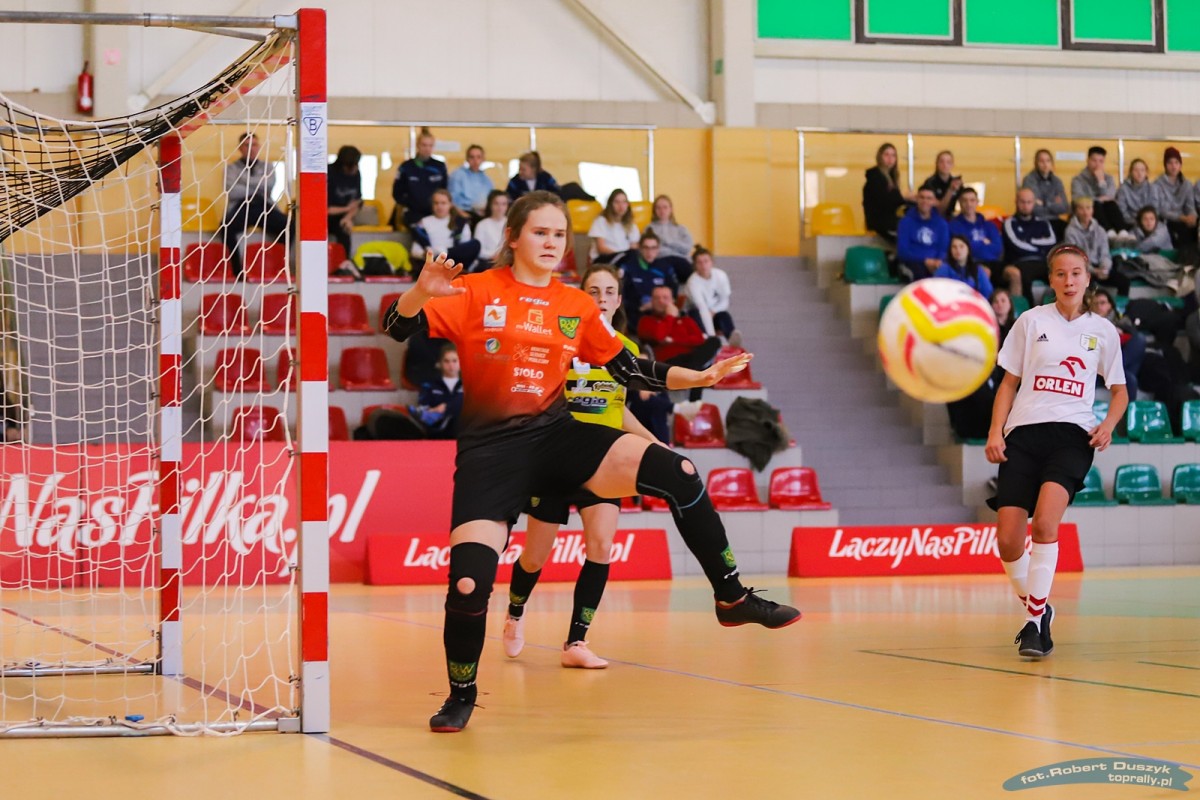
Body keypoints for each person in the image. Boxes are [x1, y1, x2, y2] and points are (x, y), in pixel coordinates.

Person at [382, 191, 800, 732]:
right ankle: (461, 694)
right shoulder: (477, 290)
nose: (551, 242)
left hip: (558, 437)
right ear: (512, 237)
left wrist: (697, 377)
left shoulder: (576, 306)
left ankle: (731, 596)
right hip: (491, 455)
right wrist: (420, 291)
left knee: (680, 472)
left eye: (559, 234)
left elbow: (632, 369)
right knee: (467, 586)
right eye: (540, 232)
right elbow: (395, 326)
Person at [504, 265, 663, 669]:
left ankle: (576, 641)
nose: (602, 298)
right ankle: (515, 611)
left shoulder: (625, 349)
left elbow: (618, 409)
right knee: (534, 557)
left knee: (602, 546)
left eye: (609, 291)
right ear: (581, 297)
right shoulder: (558, 341)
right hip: (557, 458)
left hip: (603, 460)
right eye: (594, 291)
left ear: (619, 300)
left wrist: (654, 442)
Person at [986, 244, 1127, 660]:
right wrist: (995, 432)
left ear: (1087, 279)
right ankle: (1041, 607)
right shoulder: (1030, 321)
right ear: (1050, 279)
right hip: (1023, 434)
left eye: (1076, 273)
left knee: (1046, 524)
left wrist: (1108, 425)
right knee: (1008, 541)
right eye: (1061, 274)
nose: (1069, 281)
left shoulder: (1102, 330)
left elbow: (1120, 391)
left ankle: (1034, 626)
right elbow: (1008, 384)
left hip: (1072, 436)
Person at [221, 132, 292, 279]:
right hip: (241, 206)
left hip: (263, 205)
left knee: (290, 226)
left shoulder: (268, 166)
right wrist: (258, 185)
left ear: (258, 147)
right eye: (246, 145)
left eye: (253, 145)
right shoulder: (230, 168)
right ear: (240, 148)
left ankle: (277, 266)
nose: (250, 148)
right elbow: (232, 191)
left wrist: (243, 180)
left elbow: (269, 186)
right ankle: (237, 271)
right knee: (225, 227)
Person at [1064, 197, 1130, 297]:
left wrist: (1104, 268)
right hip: (1082, 270)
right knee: (1087, 284)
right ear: (1076, 211)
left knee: (1124, 281)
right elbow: (1075, 258)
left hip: (1100, 266)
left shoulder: (1100, 230)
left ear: (1093, 210)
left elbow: (1105, 253)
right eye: (1081, 208)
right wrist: (1093, 271)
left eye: (1088, 208)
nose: (1085, 212)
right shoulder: (1070, 232)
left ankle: (1118, 306)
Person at [1001, 188, 1057, 300]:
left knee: (1059, 273)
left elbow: (1052, 242)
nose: (1025, 206)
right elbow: (1016, 245)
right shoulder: (1009, 222)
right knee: (1024, 276)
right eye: (1022, 202)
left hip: (1043, 261)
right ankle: (1029, 309)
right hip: (1020, 262)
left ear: (1034, 203)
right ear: (1016, 202)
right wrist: (1040, 247)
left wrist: (1028, 240)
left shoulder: (1043, 222)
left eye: (1029, 202)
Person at [411, 189, 481, 272]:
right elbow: (415, 250)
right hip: (434, 260)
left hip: (454, 259)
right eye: (436, 203)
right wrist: (427, 254)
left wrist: (443, 251)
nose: (439, 206)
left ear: (450, 204)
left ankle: (444, 256)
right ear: (432, 205)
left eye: (443, 203)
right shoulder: (424, 222)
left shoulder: (460, 222)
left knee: (476, 244)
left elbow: (464, 248)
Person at [1092, 289, 1145, 401]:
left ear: (1110, 305)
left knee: (1139, 339)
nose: (1099, 306)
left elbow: (1133, 335)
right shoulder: (1087, 324)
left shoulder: (1122, 321)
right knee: (1129, 379)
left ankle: (1116, 369)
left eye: (1102, 303)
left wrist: (1118, 330)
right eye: (1095, 304)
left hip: (1122, 363)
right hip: (1099, 369)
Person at [622, 231, 678, 331]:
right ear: (640, 248)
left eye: (653, 248)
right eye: (646, 248)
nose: (650, 252)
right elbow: (624, 296)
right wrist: (640, 307)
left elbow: (673, 292)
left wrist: (657, 305)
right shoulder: (629, 268)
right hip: (638, 313)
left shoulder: (665, 267)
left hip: (662, 311)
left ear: (658, 249)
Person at [392, 127, 448, 228]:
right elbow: (397, 193)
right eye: (424, 145)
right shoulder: (406, 167)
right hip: (413, 213)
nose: (427, 149)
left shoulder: (439, 167)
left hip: (435, 213)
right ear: (418, 145)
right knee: (420, 229)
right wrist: (410, 203)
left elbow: (445, 191)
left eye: (430, 145)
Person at [685, 245, 740, 344]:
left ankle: (732, 340)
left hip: (714, 312)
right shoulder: (692, 282)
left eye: (706, 261)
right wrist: (712, 336)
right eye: (699, 262)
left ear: (711, 262)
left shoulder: (721, 276)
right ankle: (707, 339)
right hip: (698, 314)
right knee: (695, 314)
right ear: (695, 265)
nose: (703, 265)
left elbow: (725, 300)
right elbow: (701, 307)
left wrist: (714, 311)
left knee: (724, 315)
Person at [896, 187, 949, 281]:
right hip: (913, 263)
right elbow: (902, 251)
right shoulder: (905, 222)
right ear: (916, 199)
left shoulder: (942, 224)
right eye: (922, 197)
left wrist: (937, 262)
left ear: (934, 201)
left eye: (929, 198)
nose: (925, 201)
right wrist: (925, 260)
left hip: (936, 263)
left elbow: (943, 249)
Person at [413, 343, 464, 439]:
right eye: (446, 361)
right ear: (440, 363)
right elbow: (424, 407)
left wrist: (446, 407)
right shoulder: (429, 385)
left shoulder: (468, 385)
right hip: (437, 433)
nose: (451, 365)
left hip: (462, 432)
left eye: (454, 361)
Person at [862, 142, 911, 242]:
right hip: (880, 224)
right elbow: (885, 200)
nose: (890, 158)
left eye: (893, 155)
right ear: (880, 157)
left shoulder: (891, 177)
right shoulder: (875, 177)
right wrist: (904, 197)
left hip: (886, 221)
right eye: (886, 155)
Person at [949, 187, 1003, 270]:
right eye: (965, 201)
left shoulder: (989, 225)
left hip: (993, 262)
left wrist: (972, 244)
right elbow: (962, 250)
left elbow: (998, 248)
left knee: (1012, 272)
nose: (969, 204)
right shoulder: (953, 226)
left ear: (977, 202)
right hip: (968, 264)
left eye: (972, 200)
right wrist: (983, 242)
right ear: (959, 203)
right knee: (985, 271)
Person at [1070, 146, 1122, 231]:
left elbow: (1110, 197)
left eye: (1101, 161)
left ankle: (1122, 231)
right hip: (1086, 213)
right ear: (1088, 161)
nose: (1097, 164)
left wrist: (1101, 181)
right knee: (1095, 205)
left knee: (1111, 205)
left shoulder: (1108, 178)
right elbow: (1078, 199)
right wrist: (1098, 200)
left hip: (1107, 212)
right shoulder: (1078, 180)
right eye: (1094, 160)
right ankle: (1108, 231)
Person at [1155, 147, 1197, 248]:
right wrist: (1182, 218)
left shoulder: (1186, 184)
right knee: (1179, 229)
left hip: (1185, 219)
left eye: (1176, 163)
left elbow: (1190, 206)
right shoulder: (1157, 184)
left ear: (1180, 165)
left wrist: (1193, 216)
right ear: (1165, 165)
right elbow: (1162, 211)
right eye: (1170, 163)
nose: (1173, 166)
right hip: (1168, 220)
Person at [646, 194, 695, 282]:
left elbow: (687, 248)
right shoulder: (649, 228)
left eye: (665, 207)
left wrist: (669, 242)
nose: (662, 211)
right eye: (658, 208)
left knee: (692, 275)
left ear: (671, 209)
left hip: (680, 260)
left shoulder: (681, 229)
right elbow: (647, 249)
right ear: (654, 210)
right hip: (660, 259)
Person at [1022, 149, 1069, 238]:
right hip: (1036, 220)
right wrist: (1054, 203)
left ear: (1052, 163)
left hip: (1055, 220)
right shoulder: (1029, 180)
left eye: (1048, 161)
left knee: (1070, 231)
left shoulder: (1057, 181)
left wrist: (1044, 203)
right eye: (1041, 161)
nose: (1045, 164)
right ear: (1036, 163)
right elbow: (1033, 208)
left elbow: (1064, 207)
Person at [327, 145, 362, 260]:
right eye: (351, 166)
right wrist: (347, 209)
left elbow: (358, 201)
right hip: (324, 217)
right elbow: (326, 209)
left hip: (342, 217)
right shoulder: (329, 174)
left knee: (344, 230)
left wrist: (348, 217)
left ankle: (345, 262)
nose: (354, 169)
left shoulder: (356, 173)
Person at [588, 188, 640, 265]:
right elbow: (601, 248)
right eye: (617, 202)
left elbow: (634, 247)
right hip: (604, 259)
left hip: (624, 259)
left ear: (628, 204)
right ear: (610, 204)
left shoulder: (631, 225)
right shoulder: (601, 221)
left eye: (624, 202)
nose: (621, 206)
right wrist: (620, 255)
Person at [447, 144, 494, 221]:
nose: (475, 161)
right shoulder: (458, 175)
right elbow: (451, 199)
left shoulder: (487, 180)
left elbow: (491, 200)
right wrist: (463, 215)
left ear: (483, 159)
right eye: (472, 157)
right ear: (467, 159)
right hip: (462, 214)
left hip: (482, 215)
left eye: (478, 157)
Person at [471, 190, 509, 271]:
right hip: (487, 262)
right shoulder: (482, 225)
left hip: (507, 261)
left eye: (503, 204)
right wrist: (494, 255)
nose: (500, 207)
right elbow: (478, 250)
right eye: (496, 203)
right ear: (490, 205)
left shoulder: (511, 223)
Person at [1116, 158, 1155, 232]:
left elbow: (1154, 208)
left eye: (1142, 170)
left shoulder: (1152, 188)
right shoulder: (1123, 188)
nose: (1139, 173)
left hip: (1149, 223)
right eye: (1136, 170)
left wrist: (1146, 221)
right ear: (1131, 172)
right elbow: (1122, 210)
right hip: (1130, 223)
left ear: (1146, 173)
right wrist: (1137, 222)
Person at [922, 150, 963, 218]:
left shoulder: (956, 182)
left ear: (952, 165)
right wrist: (950, 190)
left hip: (951, 217)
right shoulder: (930, 183)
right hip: (933, 217)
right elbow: (940, 210)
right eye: (941, 162)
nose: (945, 165)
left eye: (948, 162)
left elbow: (964, 201)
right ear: (937, 164)